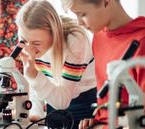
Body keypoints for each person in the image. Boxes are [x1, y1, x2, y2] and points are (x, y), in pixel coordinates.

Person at [61, 0, 145, 128]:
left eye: (82, 14)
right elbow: (106, 99)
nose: (79, 22)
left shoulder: (141, 42)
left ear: (106, 2)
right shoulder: (99, 36)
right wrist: (97, 120)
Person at [15, 0, 97, 128]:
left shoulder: (74, 40)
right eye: (24, 40)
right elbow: (37, 86)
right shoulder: (31, 40)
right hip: (54, 96)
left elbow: (63, 102)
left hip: (83, 101)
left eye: (36, 43)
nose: (30, 49)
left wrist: (33, 75)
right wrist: (35, 114)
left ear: (54, 34)